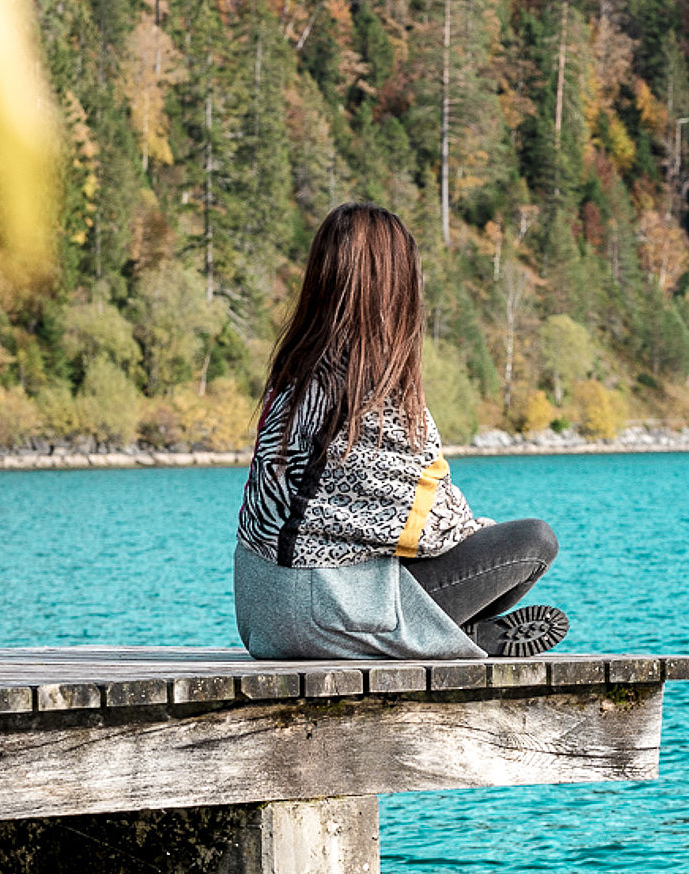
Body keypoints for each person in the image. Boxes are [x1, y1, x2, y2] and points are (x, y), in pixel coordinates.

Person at [233, 202, 570, 660]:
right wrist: (477, 531)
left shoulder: (292, 376)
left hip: (261, 618)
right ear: (395, 286)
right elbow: (431, 528)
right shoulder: (374, 389)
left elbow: (347, 520)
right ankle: (458, 638)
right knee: (533, 543)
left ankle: (454, 636)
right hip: (330, 615)